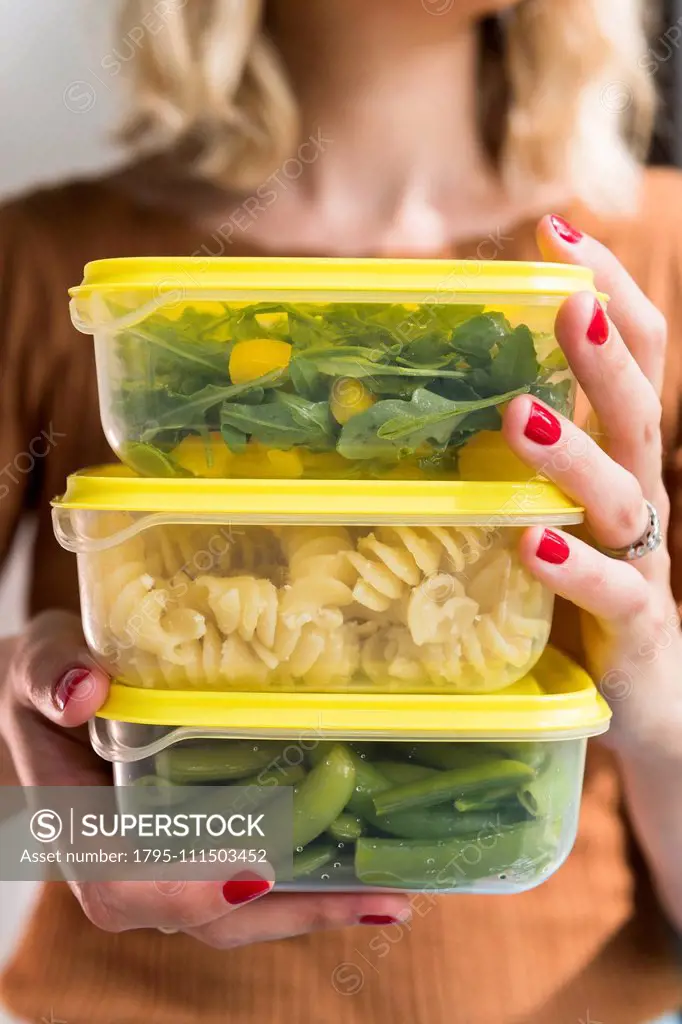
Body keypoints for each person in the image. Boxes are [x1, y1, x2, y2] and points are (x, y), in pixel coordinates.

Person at [0, 0, 681, 1021]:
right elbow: (24, 828)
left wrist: (656, 711)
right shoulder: (45, 262)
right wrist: (67, 823)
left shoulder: (645, 271)